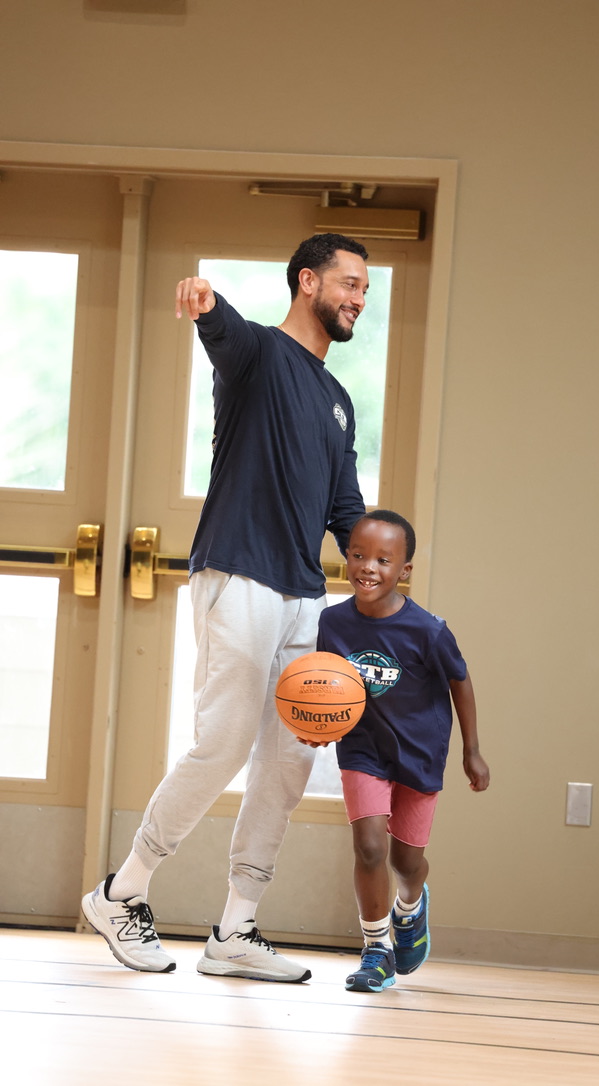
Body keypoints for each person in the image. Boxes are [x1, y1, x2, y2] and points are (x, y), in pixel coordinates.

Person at [82, 233, 370, 982]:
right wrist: (207, 305)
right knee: (224, 744)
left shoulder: (338, 403)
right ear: (307, 282)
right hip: (239, 573)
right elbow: (226, 333)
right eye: (348, 284)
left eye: (365, 290)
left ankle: (236, 928)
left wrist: (382, 576)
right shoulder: (258, 355)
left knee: (287, 763)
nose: (358, 299)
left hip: (304, 597)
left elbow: (346, 510)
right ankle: (121, 893)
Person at [314, 509, 490, 992]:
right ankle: (376, 951)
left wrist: (472, 750)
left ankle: (410, 906)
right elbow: (326, 686)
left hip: (419, 753)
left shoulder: (428, 630)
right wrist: (317, 726)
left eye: (383, 560)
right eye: (358, 555)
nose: (368, 567)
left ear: (404, 570)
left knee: (405, 862)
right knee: (370, 847)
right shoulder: (332, 622)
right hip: (363, 749)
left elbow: (460, 682)